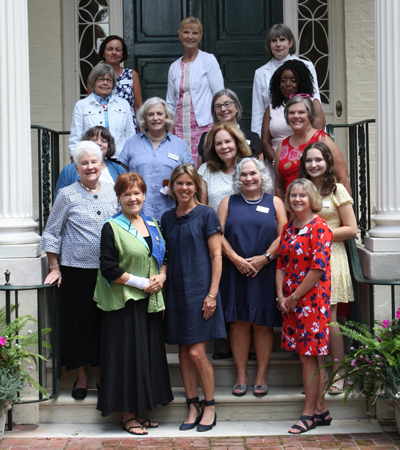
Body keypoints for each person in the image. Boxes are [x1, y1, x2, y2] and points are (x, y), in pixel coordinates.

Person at [94, 172, 173, 435]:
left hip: (149, 303)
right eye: (127, 194)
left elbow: (164, 255)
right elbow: (108, 268)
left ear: (144, 195)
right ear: (119, 198)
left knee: (145, 358)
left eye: (137, 192)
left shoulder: (151, 222)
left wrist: (161, 276)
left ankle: (140, 410)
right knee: (127, 359)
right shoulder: (111, 227)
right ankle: (128, 416)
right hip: (124, 305)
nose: (133, 198)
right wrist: (142, 284)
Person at [40, 141, 119, 400]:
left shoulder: (113, 191)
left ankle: (105, 376)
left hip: (108, 271)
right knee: (80, 325)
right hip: (76, 272)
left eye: (94, 161)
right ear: (76, 167)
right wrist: (55, 267)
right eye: (84, 163)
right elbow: (52, 232)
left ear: (101, 164)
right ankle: (82, 377)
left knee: (105, 324)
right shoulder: (66, 194)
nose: (90, 166)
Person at [161, 164, 225, 432]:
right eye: (179, 183)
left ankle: (210, 405)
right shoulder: (165, 218)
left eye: (189, 183)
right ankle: (192, 404)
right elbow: (163, 257)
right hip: (175, 291)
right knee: (184, 353)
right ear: (172, 187)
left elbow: (216, 256)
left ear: (196, 186)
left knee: (198, 352)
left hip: (201, 291)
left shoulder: (207, 215)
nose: (184, 188)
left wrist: (212, 294)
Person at [217, 157, 287, 397]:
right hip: (235, 271)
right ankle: (241, 374)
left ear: (261, 175)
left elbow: (284, 235)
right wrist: (236, 259)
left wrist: (265, 258)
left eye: (252, 173)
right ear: (237, 178)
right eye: (243, 174)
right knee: (238, 323)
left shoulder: (275, 202)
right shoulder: (228, 202)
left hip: (265, 271)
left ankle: (261, 374)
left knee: (262, 323)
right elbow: (217, 236)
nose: (248, 178)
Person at [299, 142, 357, 395]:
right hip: (306, 261)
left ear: (327, 162)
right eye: (309, 160)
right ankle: (317, 376)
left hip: (332, 258)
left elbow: (352, 228)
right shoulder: (301, 190)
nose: (313, 164)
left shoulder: (338, 190)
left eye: (318, 160)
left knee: (330, 319)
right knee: (312, 320)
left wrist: (319, 234)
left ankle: (340, 372)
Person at [276, 178, 333, 434]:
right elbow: (281, 265)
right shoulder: (288, 228)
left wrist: (294, 297)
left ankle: (308, 414)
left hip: (311, 300)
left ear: (312, 199)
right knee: (306, 356)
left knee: (310, 357)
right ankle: (321, 410)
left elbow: (317, 270)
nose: (297, 199)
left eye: (303, 195)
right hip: (290, 302)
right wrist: (281, 296)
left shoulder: (320, 227)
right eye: (293, 195)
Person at [118, 97, 194, 222]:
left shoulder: (179, 145)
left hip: (172, 216)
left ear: (166, 116)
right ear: (144, 118)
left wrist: (177, 188)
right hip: (136, 215)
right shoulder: (131, 143)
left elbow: (190, 177)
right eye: (150, 114)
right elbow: (121, 178)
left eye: (159, 114)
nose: (155, 118)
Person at [166, 17, 224, 165]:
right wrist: (169, 126)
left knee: (204, 163)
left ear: (200, 36)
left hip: (204, 125)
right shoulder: (174, 66)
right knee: (180, 165)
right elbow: (171, 101)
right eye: (186, 32)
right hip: (179, 128)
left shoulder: (208, 60)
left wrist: (219, 124)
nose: (190, 36)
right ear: (179, 35)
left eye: (195, 33)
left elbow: (219, 94)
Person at [275, 95, 351, 202]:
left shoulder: (322, 139)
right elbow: (279, 186)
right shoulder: (282, 146)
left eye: (301, 112)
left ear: (310, 115)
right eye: (291, 113)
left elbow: (343, 177)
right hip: (292, 209)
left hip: (322, 210)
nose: (296, 116)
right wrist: (282, 214)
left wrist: (346, 212)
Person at [251, 23, 320, 138]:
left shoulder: (306, 66)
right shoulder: (260, 73)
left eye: (282, 40)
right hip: (275, 134)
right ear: (269, 44)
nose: (278, 44)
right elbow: (258, 111)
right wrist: (257, 145)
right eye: (274, 40)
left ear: (290, 42)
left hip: (304, 133)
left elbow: (315, 100)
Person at [261, 59, 326, 165]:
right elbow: (265, 141)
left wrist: (302, 163)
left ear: (301, 82)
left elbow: (318, 137)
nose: (287, 84)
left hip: (306, 163)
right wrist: (277, 163)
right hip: (275, 163)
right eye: (283, 80)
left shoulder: (313, 104)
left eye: (293, 80)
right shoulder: (272, 108)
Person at [69, 64, 135, 159]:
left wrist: (129, 159)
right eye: (100, 79)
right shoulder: (81, 105)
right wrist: (74, 159)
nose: (105, 83)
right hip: (90, 159)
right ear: (93, 82)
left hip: (119, 158)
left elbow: (130, 135)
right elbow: (75, 137)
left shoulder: (123, 104)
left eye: (109, 80)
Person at [87, 35, 142, 133]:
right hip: (101, 127)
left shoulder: (132, 75)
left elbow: (138, 107)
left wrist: (142, 131)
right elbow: (89, 103)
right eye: (110, 49)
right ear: (103, 52)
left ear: (122, 54)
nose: (114, 53)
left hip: (127, 127)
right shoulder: (94, 75)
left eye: (118, 50)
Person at [197, 89, 264, 167]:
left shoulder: (252, 138)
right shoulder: (206, 138)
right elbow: (199, 174)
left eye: (227, 104)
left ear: (237, 107)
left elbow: (261, 173)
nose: (223, 109)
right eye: (218, 106)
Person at [55, 126, 126, 198]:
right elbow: (59, 203)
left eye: (103, 141)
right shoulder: (68, 171)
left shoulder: (119, 170)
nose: (99, 143)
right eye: (95, 139)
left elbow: (126, 197)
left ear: (108, 146)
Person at [198, 122, 252, 213]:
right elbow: (201, 207)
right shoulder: (205, 170)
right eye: (218, 143)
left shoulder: (248, 167)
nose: (224, 147)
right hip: (214, 225)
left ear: (237, 143)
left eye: (228, 141)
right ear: (213, 148)